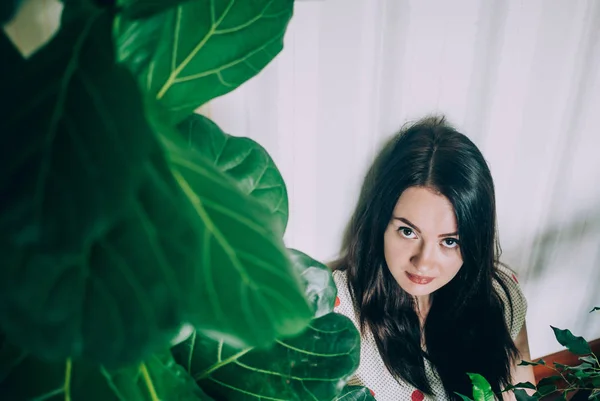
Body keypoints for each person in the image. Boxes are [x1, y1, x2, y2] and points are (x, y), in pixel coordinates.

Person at [330, 116, 535, 400]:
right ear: (380, 223)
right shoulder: (337, 311)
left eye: (450, 241)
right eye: (407, 231)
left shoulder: (499, 296)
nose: (424, 262)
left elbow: (521, 393)